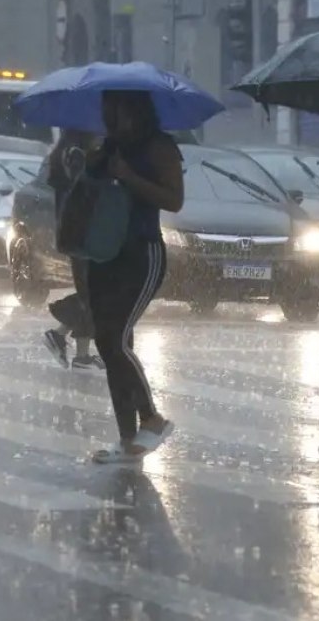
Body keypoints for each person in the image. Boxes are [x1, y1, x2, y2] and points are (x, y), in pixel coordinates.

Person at [87, 91, 183, 464]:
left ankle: (152, 418)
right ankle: (127, 438)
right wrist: (92, 163)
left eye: (119, 108)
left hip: (142, 252)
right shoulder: (109, 146)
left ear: (137, 110)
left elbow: (174, 199)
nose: (112, 115)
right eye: (108, 108)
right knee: (110, 345)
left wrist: (128, 176)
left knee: (115, 339)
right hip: (104, 253)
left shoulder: (160, 148)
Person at [40, 128, 104, 370]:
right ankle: (62, 336)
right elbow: (84, 193)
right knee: (93, 294)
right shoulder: (76, 156)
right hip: (83, 235)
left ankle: (80, 352)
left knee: (91, 293)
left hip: (76, 234)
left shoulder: (64, 154)